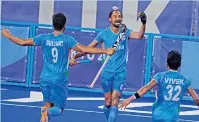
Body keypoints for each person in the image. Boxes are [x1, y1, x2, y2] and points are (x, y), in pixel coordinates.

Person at [1, 13, 115, 122]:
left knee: (47, 104)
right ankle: (46, 112)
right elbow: (85, 49)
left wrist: (8, 35)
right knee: (59, 109)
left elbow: (22, 42)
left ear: (53, 24)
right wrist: (105, 50)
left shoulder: (43, 38)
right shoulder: (67, 39)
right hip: (59, 79)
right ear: (64, 26)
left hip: (45, 78)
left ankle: (45, 111)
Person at [70, 6, 146, 122]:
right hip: (106, 72)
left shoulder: (125, 32)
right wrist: (75, 56)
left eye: (120, 16)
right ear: (110, 19)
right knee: (108, 101)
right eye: (115, 16)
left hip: (120, 73)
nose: (118, 18)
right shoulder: (103, 34)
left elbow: (139, 36)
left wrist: (143, 23)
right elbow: (88, 48)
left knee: (115, 99)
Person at [119, 50, 199, 122]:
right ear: (180, 65)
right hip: (172, 116)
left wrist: (129, 99)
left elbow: (146, 88)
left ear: (167, 63)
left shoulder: (160, 76)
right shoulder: (185, 80)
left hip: (158, 114)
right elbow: (196, 99)